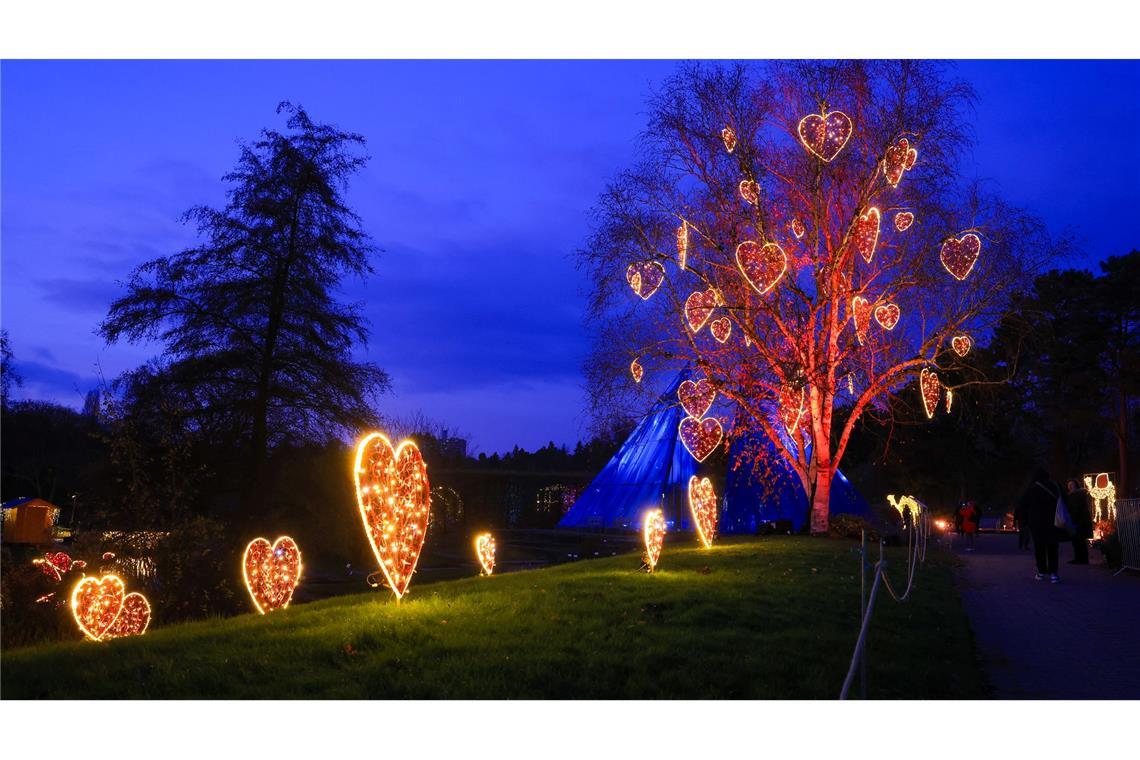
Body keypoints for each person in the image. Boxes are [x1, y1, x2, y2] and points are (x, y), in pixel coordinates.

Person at [1017, 467, 1062, 583]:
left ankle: (1041, 572)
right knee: (1053, 547)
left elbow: (1023, 505)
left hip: (1037, 523)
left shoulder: (1032, 488)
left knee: (1040, 547)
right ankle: (1053, 573)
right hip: (1053, 522)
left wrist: (1025, 520)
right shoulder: (1055, 486)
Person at [1065, 479, 1093, 565]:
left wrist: (1071, 518)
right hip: (1078, 520)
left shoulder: (1077, 495)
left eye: (1071, 485)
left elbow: (1076, 508)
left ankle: (1081, 559)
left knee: (1079, 540)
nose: (1070, 487)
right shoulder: (1075, 495)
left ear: (1076, 485)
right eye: (1069, 485)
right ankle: (1080, 558)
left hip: (1079, 521)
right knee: (1077, 541)